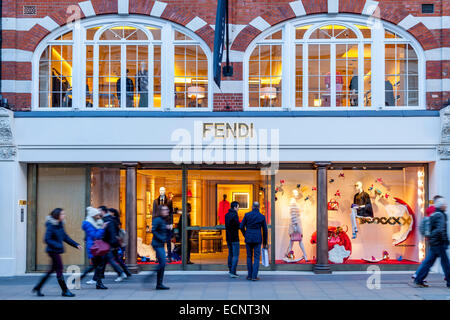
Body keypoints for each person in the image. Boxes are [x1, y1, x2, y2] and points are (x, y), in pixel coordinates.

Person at [32, 208, 82, 297]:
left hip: (56, 250)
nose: (64, 215)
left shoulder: (60, 224)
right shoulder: (51, 225)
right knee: (59, 268)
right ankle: (65, 291)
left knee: (51, 270)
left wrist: (76, 244)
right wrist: (58, 245)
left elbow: (65, 237)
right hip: (52, 251)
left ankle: (38, 287)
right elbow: (46, 239)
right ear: (57, 215)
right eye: (62, 214)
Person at [414, 196, 450, 288]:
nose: (446, 206)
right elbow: (440, 230)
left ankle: (418, 279)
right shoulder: (440, 215)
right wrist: (444, 240)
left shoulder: (435, 214)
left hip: (434, 243)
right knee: (445, 263)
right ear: (441, 206)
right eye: (444, 205)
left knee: (428, 262)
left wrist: (432, 238)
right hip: (439, 243)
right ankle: (449, 281)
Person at [99, 206, 129, 282]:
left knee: (110, 260)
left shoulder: (108, 220)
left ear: (103, 211)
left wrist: (112, 243)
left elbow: (112, 233)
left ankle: (121, 273)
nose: (98, 212)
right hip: (111, 243)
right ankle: (125, 272)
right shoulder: (110, 219)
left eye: (99, 211)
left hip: (109, 243)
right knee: (112, 259)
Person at [240, 202, 268, 281]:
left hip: (248, 238)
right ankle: (254, 276)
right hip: (257, 239)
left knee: (249, 256)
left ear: (252, 207)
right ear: (258, 207)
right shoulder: (262, 216)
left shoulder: (247, 215)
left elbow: (241, 226)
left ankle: (249, 275)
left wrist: (245, 234)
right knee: (256, 257)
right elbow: (265, 230)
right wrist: (265, 242)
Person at [151, 205, 171, 290]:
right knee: (162, 263)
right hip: (157, 244)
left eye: (167, 209)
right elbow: (153, 230)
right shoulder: (157, 219)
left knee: (162, 264)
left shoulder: (163, 220)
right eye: (165, 210)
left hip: (161, 244)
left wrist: (167, 228)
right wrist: (161, 238)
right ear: (160, 211)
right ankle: (152, 275)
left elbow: (161, 230)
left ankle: (159, 284)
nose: (167, 211)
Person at [108, 208, 132, 277]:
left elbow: (116, 230)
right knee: (117, 258)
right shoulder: (114, 219)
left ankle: (122, 272)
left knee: (114, 258)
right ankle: (126, 271)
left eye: (109, 212)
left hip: (114, 241)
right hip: (115, 240)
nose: (109, 213)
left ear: (112, 213)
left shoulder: (113, 220)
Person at [225, 201, 240, 278]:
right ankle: (233, 272)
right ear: (234, 207)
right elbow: (238, 225)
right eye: (238, 207)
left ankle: (230, 269)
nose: (238, 208)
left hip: (228, 237)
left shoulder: (226, 215)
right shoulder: (235, 215)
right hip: (234, 238)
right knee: (236, 255)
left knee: (230, 254)